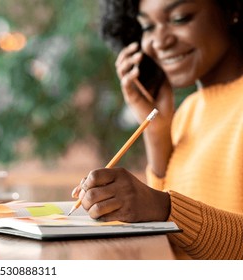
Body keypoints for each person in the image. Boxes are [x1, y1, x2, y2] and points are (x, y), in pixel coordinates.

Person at [71, 0, 243, 259]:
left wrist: (163, 207)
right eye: (148, 26)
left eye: (180, 18)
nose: (159, 41)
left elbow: (171, 215)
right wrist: (157, 131)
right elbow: (175, 241)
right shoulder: (189, 111)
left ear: (233, 10)